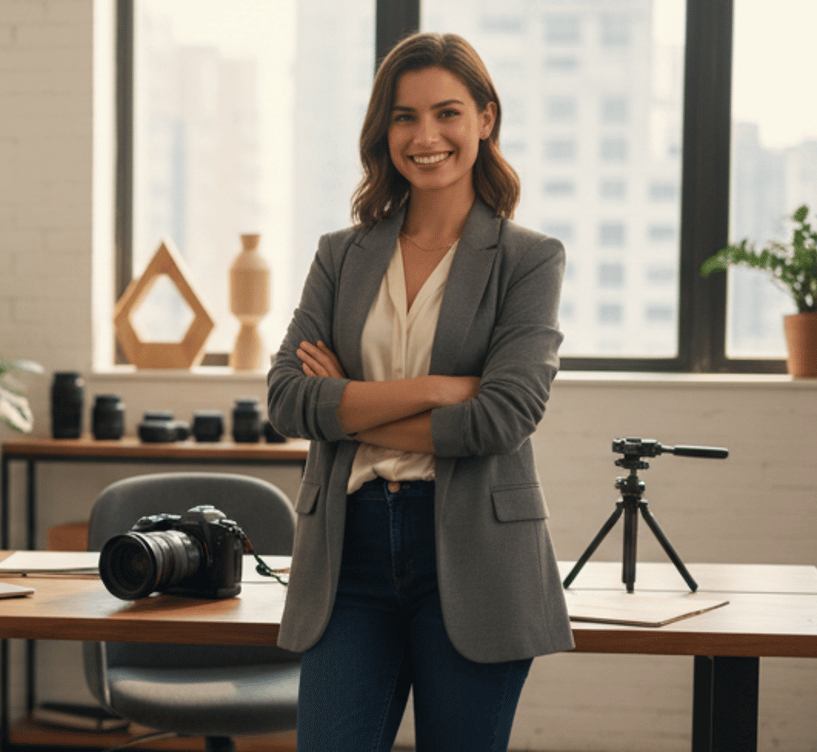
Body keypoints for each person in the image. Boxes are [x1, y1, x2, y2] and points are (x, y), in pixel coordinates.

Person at [265, 32, 571, 751]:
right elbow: (285, 399)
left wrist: (347, 405)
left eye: (448, 113)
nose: (425, 136)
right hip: (349, 552)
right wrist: (435, 389)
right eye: (404, 117)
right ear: (383, 130)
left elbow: (502, 417)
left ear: (485, 119)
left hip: (474, 552)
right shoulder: (342, 254)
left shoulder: (528, 260)